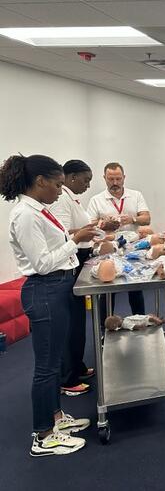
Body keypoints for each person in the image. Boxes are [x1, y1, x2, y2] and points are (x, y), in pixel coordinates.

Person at [1, 154, 97, 456]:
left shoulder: (38, 210)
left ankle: (56, 418)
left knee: (54, 361)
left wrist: (74, 237)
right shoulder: (25, 215)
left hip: (57, 286)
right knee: (45, 367)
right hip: (45, 289)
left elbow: (52, 247)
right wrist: (75, 240)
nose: (60, 190)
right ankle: (43, 435)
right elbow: (42, 263)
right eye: (56, 185)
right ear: (40, 181)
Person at [49, 159, 94, 397]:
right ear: (71, 177)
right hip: (66, 263)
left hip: (76, 258)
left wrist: (93, 228)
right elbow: (64, 236)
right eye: (85, 181)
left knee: (77, 321)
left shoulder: (70, 197)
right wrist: (84, 234)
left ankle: (76, 366)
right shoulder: (61, 200)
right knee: (71, 323)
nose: (87, 186)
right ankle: (68, 377)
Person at [86, 162, 150, 314]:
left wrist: (132, 220)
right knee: (107, 290)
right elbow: (88, 224)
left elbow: (147, 218)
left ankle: (140, 319)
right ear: (104, 178)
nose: (115, 183)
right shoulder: (96, 199)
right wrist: (103, 223)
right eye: (111, 179)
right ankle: (104, 329)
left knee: (135, 288)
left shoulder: (135, 195)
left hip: (132, 249)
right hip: (109, 250)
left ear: (124, 178)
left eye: (118, 179)